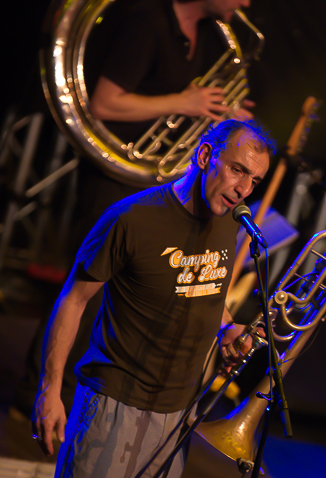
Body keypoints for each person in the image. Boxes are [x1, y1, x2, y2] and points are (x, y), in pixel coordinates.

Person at [0, 118, 273, 478]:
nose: (244, 188)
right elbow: (72, 300)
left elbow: (209, 298)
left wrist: (227, 331)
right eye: (237, 170)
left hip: (177, 412)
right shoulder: (132, 217)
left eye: (254, 179)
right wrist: (50, 389)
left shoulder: (231, 225)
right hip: (113, 399)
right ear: (204, 155)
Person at [14, 0, 256, 419]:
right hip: (115, 182)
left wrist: (223, 123)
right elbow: (105, 103)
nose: (246, 3)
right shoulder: (148, 24)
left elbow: (187, 113)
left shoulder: (202, 38)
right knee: (85, 293)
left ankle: (88, 399)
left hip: (154, 185)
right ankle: (40, 397)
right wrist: (183, 101)